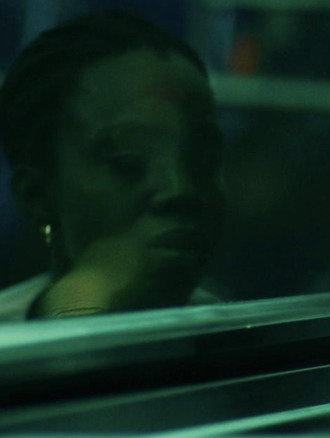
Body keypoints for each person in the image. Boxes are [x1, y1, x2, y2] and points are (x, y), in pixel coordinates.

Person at [0, 11, 225, 320]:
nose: (181, 189)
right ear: (37, 197)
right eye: (128, 162)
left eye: (205, 161)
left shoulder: (244, 341)